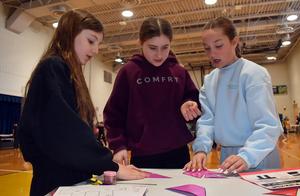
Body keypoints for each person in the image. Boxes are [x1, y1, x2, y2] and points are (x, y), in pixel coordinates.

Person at [18, 9, 146, 196]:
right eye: (91, 41)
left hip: (71, 180)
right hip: (55, 183)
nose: (95, 50)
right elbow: (66, 132)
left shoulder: (68, 72)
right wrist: (110, 165)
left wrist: (108, 165)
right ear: (71, 33)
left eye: (98, 44)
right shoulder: (53, 67)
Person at [184, 17, 283, 173]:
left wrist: (247, 156)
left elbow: (268, 125)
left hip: (259, 154)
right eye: (207, 48)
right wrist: (201, 149)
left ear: (234, 41)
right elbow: (207, 121)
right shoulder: (210, 81)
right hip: (228, 156)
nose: (212, 53)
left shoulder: (253, 73)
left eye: (218, 45)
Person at [103, 17, 201, 169]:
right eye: (153, 48)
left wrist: (188, 103)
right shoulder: (128, 72)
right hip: (143, 155)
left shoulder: (179, 71)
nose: (159, 55)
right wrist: (119, 145)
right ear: (140, 43)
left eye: (165, 47)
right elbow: (114, 113)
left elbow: (193, 98)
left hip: (178, 152)